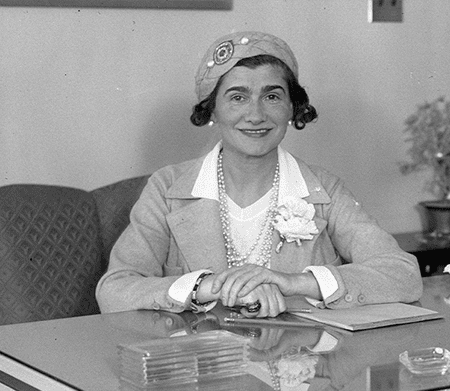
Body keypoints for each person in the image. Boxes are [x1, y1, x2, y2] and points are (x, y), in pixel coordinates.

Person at [96, 31, 422, 317]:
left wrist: (295, 284)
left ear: (292, 108)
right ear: (212, 110)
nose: (256, 115)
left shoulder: (325, 189)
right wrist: (208, 288)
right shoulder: (167, 188)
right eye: (238, 97)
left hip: (303, 369)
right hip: (205, 372)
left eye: (272, 96)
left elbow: (403, 274)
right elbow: (115, 289)